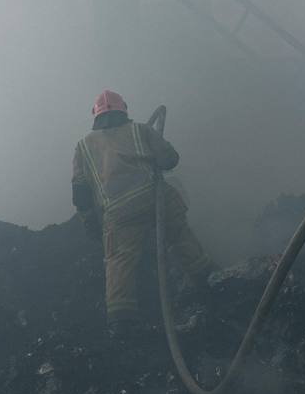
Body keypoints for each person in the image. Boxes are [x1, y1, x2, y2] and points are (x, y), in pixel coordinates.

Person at [72, 89, 213, 338]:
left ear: (96, 116)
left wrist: (89, 222)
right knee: (179, 234)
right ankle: (205, 277)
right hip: (153, 198)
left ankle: (121, 319)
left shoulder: (83, 146)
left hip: (118, 212)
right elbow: (170, 160)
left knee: (118, 259)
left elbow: (80, 192)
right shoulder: (140, 130)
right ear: (123, 109)